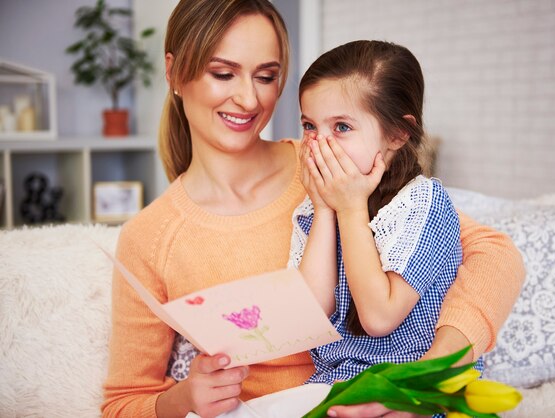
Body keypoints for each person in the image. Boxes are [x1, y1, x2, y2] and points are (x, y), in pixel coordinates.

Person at [101, 1, 524, 417]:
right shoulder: (150, 237)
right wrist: (185, 398)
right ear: (174, 72)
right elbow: (123, 403)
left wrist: (426, 378)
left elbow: (493, 252)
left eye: (266, 76)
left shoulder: (334, 164)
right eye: (223, 73)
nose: (248, 99)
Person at [289, 39, 481, 391]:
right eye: (309, 126)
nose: (318, 144)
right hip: (335, 384)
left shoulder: (423, 202)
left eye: (342, 127)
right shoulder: (315, 207)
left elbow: (379, 317)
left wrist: (350, 209)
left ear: (396, 133)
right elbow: (310, 318)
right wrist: (323, 210)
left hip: (410, 389)